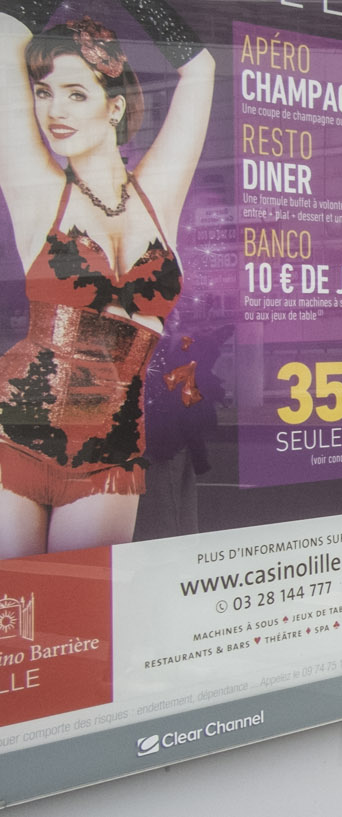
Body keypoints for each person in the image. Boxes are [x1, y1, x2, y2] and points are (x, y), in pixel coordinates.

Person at [0, 4, 214, 558]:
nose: (54, 110)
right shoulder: (38, 190)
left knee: (81, 618)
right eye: (42, 92)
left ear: (114, 106)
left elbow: (202, 69)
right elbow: (4, 33)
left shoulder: (158, 200)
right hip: (13, 433)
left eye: (75, 92)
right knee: (18, 617)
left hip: (113, 447)